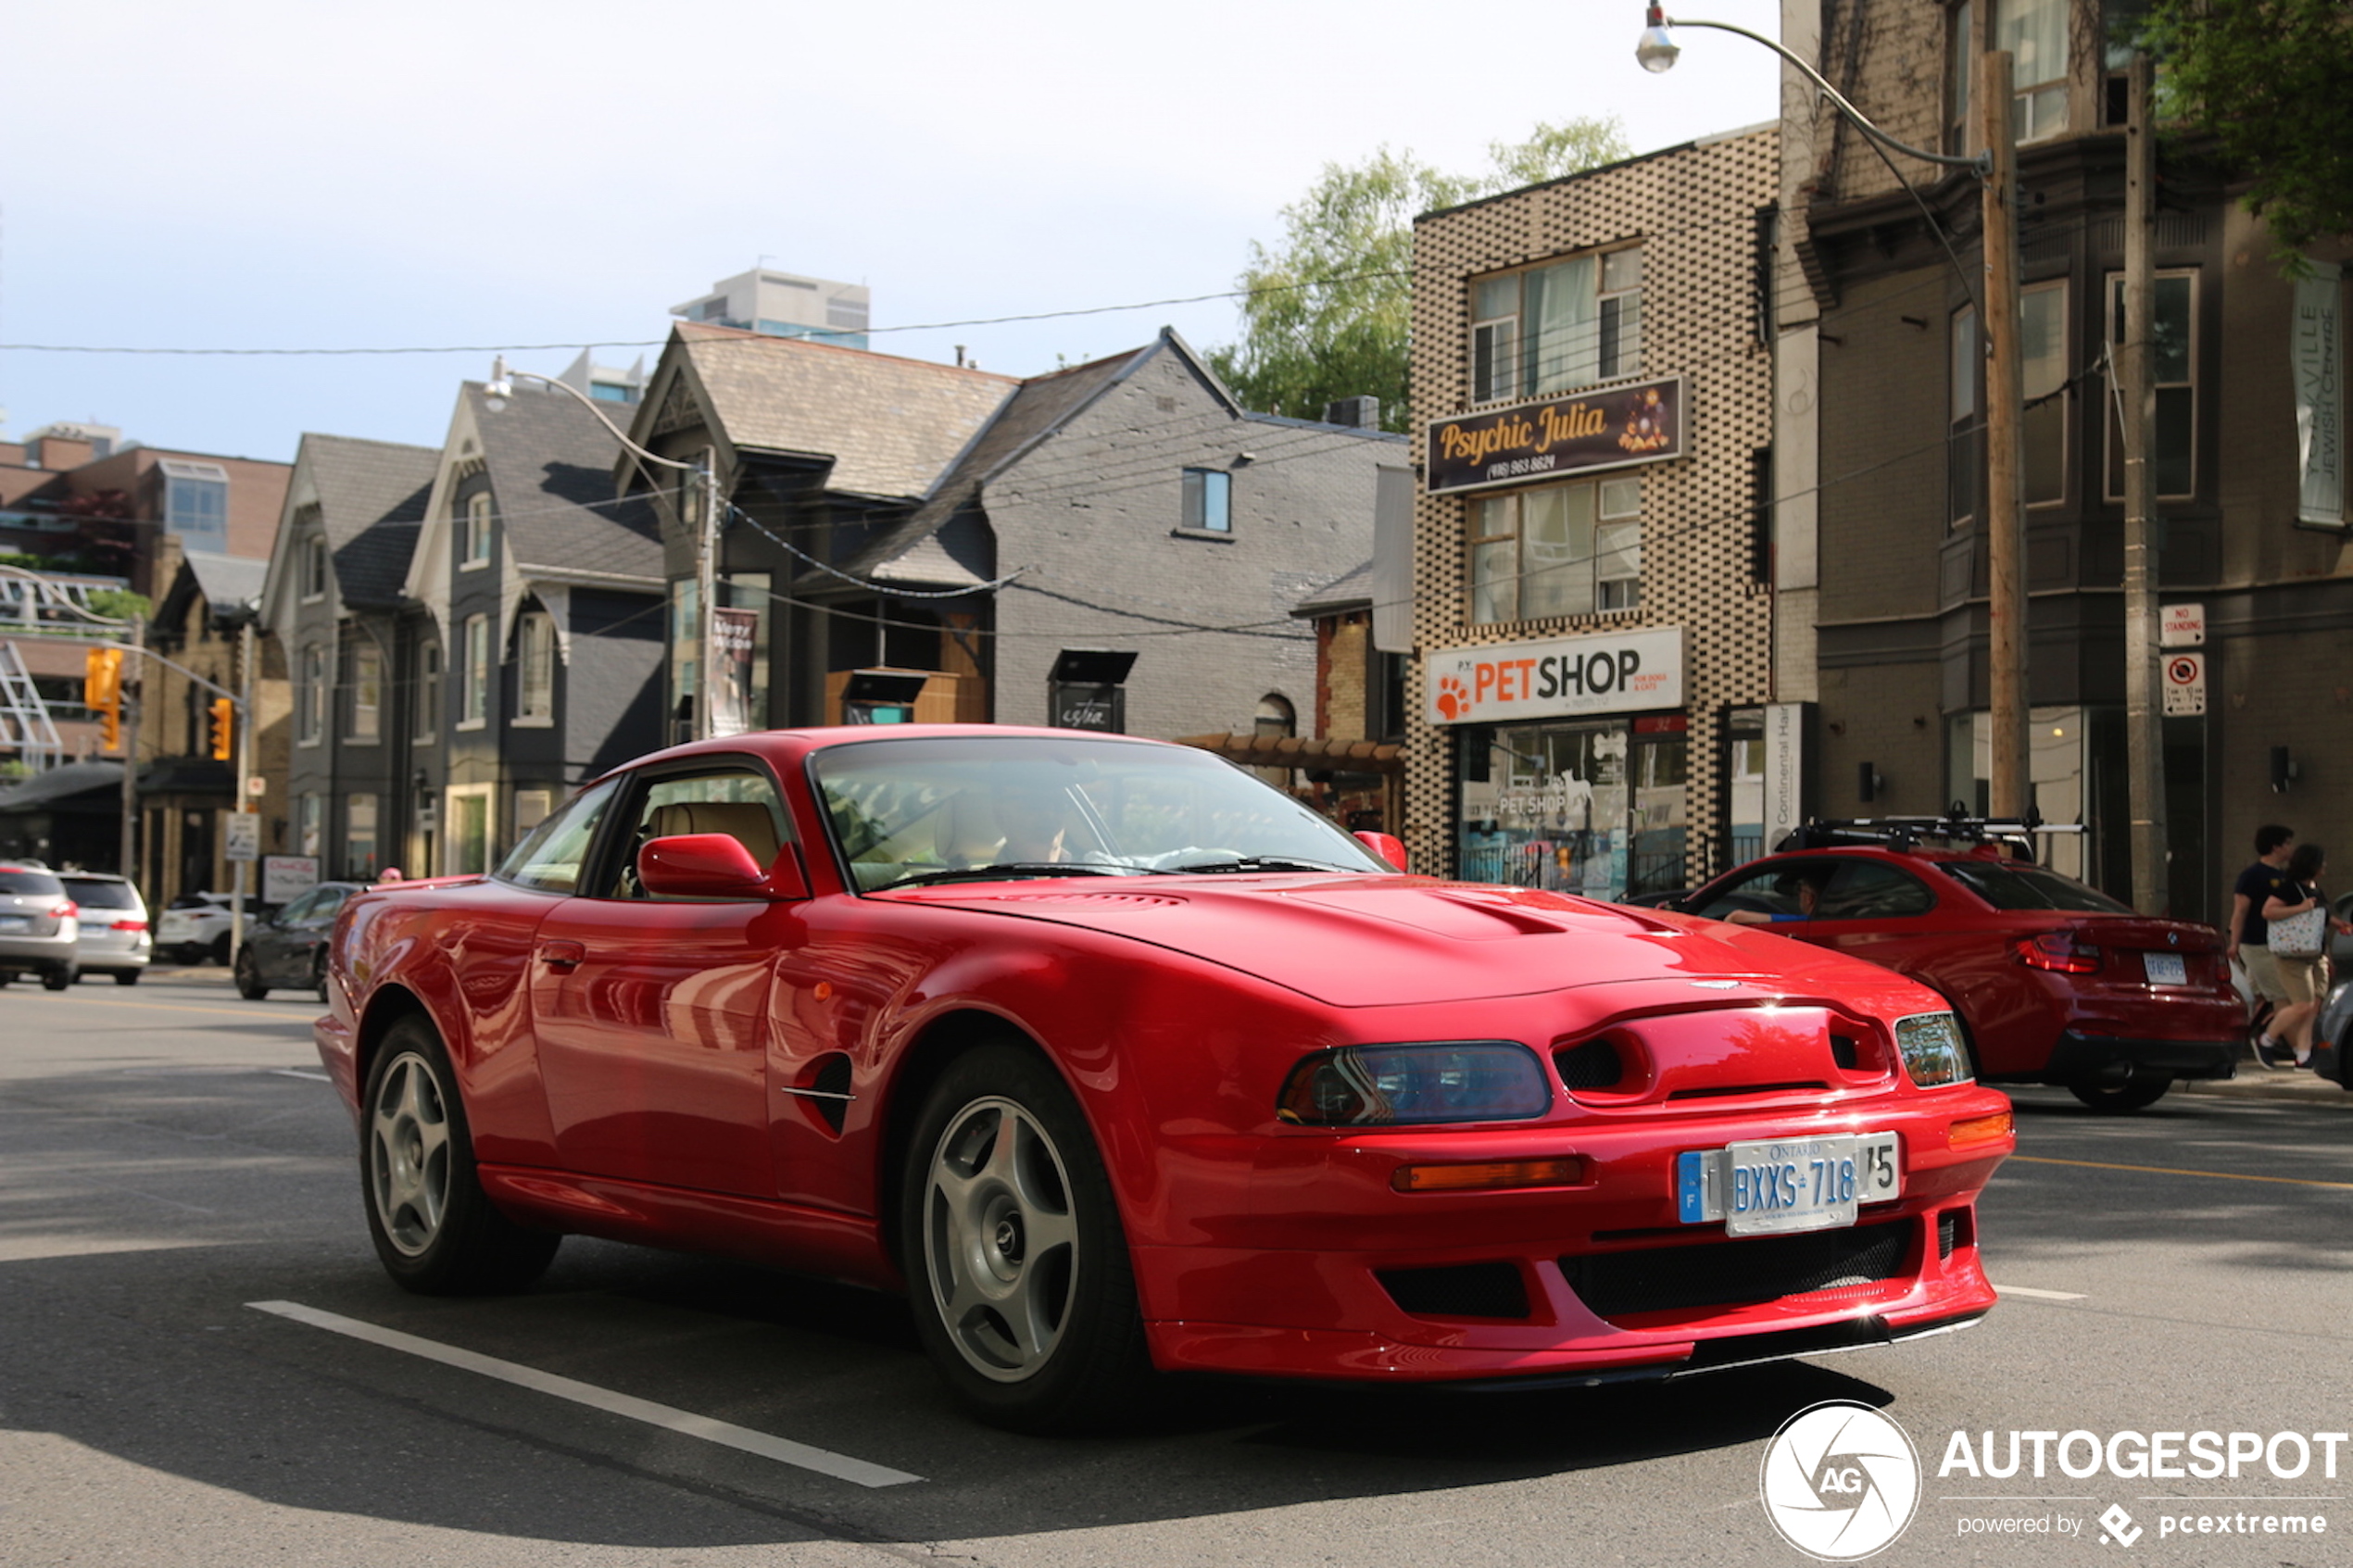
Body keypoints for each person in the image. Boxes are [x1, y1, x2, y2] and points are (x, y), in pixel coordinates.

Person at [2257, 844, 2350, 1069]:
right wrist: (2300, 908)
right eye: (2322, 863)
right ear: (2311, 864)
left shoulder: (2315, 888)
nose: (2325, 867)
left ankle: (2303, 1053)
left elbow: (2321, 915)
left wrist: (2339, 924)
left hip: (2316, 955)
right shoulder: (2287, 887)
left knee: (2314, 1006)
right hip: (2292, 956)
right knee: (2303, 1005)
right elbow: (2268, 912)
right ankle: (2267, 1038)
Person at [2228, 824, 2297, 1065]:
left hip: (2279, 946)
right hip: (2256, 945)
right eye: (2287, 843)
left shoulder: (2285, 877)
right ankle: (2297, 1050)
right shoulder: (2252, 876)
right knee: (2283, 996)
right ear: (2276, 846)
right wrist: (2234, 944)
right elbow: (2240, 912)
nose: (2291, 848)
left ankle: (2237, 1038)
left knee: (2255, 998)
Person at [1724, 872, 1826, 926]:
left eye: (1801, 889)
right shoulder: (1827, 920)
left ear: (1809, 899)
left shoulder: (1807, 922)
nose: (1799, 894)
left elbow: (1737, 917)